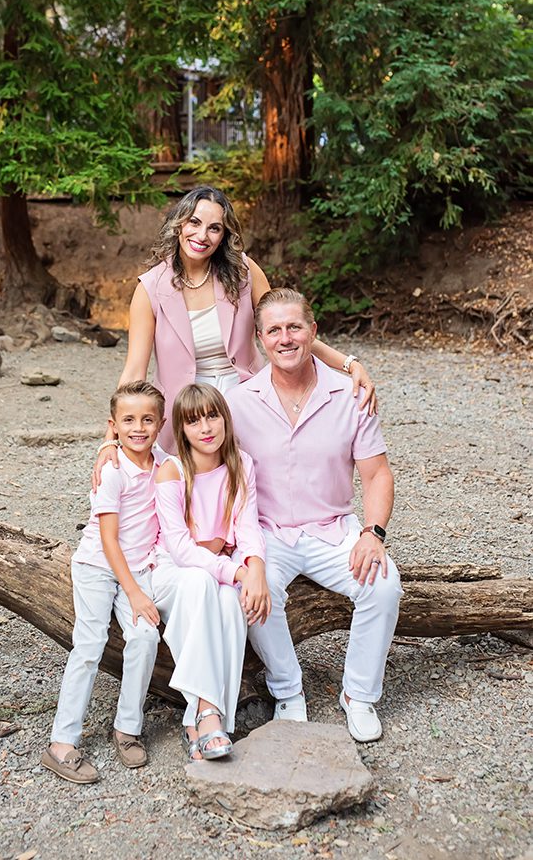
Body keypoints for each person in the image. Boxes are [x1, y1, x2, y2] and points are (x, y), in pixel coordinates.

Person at [93, 184, 376, 466]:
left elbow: (285, 331)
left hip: (247, 395)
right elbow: (134, 370)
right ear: (179, 224)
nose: (201, 236)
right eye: (194, 222)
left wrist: (349, 364)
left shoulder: (243, 272)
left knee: (257, 477)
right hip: (186, 405)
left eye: (214, 228)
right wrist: (111, 437)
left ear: (224, 235)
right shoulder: (150, 288)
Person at [227, 288, 402, 743]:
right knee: (250, 595)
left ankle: (359, 695)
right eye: (274, 330)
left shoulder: (350, 394)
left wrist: (373, 533)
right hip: (267, 533)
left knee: (384, 587)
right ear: (261, 339)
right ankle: (287, 691)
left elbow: (377, 473)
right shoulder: (239, 401)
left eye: (295, 327)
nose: (285, 338)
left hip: (334, 528)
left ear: (313, 332)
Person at [41, 381, 166, 783]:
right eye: (128, 420)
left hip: (140, 565)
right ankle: (62, 742)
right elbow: (109, 540)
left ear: (161, 424)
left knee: (145, 637)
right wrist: (133, 593)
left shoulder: (164, 465)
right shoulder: (112, 470)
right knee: (90, 643)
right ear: (113, 426)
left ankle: (127, 727)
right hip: (99, 565)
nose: (139, 428)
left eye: (148, 419)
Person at [153, 383, 270, 761]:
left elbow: (248, 526)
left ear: (224, 418)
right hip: (175, 570)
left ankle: (202, 721)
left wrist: (255, 569)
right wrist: (236, 571)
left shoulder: (241, 463)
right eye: (193, 421)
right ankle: (207, 711)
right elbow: (181, 548)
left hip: (219, 568)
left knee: (230, 604)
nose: (205, 427)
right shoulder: (171, 472)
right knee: (205, 583)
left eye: (212, 416)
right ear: (181, 429)